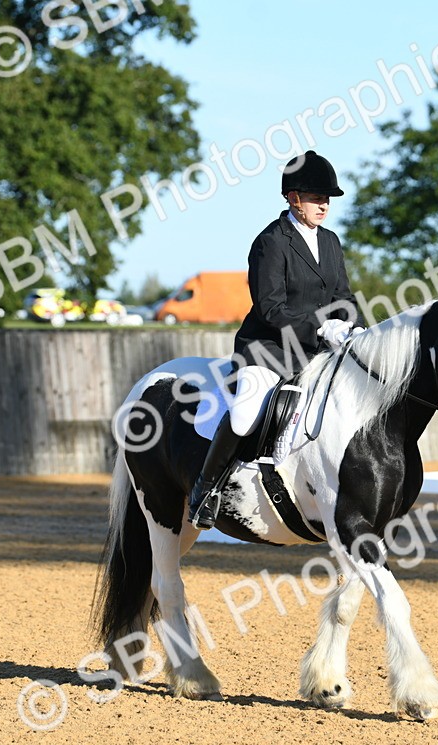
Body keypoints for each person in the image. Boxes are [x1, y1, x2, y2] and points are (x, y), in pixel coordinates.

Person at [188, 150, 362, 529]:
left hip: (319, 350)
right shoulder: (271, 242)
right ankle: (206, 489)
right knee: (247, 410)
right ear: (293, 197)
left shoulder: (330, 242)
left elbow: (344, 296)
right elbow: (270, 308)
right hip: (268, 349)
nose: (324, 205)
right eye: (316, 197)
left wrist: (356, 326)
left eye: (327, 198)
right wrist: (319, 327)